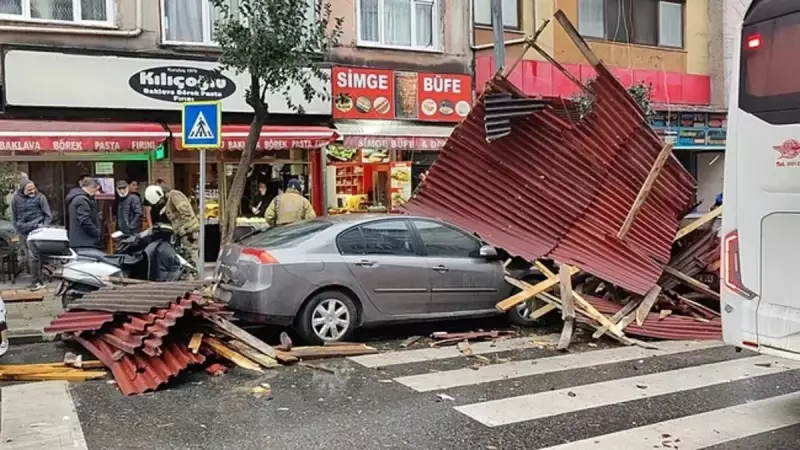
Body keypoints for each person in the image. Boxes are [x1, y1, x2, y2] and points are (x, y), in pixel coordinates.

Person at [144, 184, 200, 275]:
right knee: (186, 256)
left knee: (191, 255)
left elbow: (186, 214)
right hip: (184, 232)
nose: (160, 203)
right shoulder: (168, 200)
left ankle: (196, 279)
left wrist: (182, 229)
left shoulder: (174, 196)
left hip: (189, 232)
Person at [12, 180, 51, 290]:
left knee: (33, 256)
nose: (32, 191)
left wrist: (44, 227)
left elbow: (48, 215)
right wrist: (16, 229)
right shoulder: (16, 199)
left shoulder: (40, 197)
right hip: (23, 231)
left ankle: (36, 281)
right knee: (29, 257)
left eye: (33, 188)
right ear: (22, 189)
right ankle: (37, 280)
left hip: (36, 230)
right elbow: (14, 215)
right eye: (29, 190)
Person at [66, 178, 101, 250]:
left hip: (80, 241)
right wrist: (96, 232)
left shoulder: (77, 198)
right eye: (96, 189)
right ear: (91, 188)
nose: (97, 193)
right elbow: (84, 220)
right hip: (85, 242)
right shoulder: (82, 200)